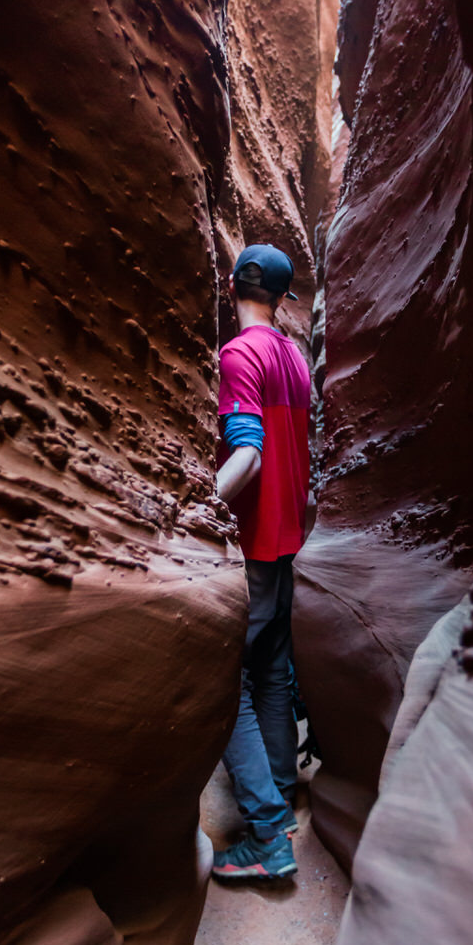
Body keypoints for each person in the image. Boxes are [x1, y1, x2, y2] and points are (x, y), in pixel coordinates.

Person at [212, 244, 311, 881]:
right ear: (282, 299)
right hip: (288, 539)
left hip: (251, 543)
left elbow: (246, 455)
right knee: (272, 669)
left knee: (223, 685)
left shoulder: (237, 355)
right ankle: (282, 792)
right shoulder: (295, 359)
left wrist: (192, 511)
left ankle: (268, 835)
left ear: (230, 285)